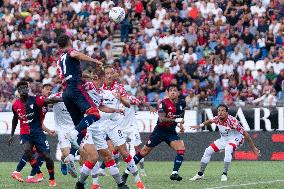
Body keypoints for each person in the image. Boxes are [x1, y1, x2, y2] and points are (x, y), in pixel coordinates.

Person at [75, 68, 129, 189]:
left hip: (97, 127)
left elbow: (101, 107)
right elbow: (78, 82)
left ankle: (121, 184)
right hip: (87, 126)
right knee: (93, 157)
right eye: (104, 77)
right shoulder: (88, 86)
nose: (106, 79)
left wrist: (116, 110)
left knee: (107, 155)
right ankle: (79, 184)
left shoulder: (100, 92)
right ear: (98, 78)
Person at [122, 84, 186, 182]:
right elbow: (161, 119)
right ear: (167, 93)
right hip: (159, 132)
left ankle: (174, 173)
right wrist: (177, 120)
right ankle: (126, 172)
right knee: (144, 152)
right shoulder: (163, 103)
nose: (173, 92)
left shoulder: (182, 103)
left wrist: (181, 125)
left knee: (181, 149)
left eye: (175, 90)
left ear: (178, 93)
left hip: (171, 132)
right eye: (171, 90)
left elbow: (181, 114)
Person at [8, 81, 60, 187]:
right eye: (21, 88)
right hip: (25, 132)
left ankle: (51, 178)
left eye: (25, 87)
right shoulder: (15, 105)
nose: (23, 90)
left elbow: (48, 101)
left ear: (28, 89)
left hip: (37, 132)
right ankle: (36, 173)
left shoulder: (36, 99)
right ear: (18, 91)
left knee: (47, 156)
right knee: (27, 150)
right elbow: (14, 119)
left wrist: (66, 98)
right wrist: (12, 134)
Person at [190, 104, 260, 181]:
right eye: (219, 110)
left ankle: (224, 174)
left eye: (223, 110)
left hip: (236, 138)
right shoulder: (217, 119)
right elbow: (210, 121)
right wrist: (200, 125)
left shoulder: (233, 122)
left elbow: (246, 134)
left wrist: (253, 148)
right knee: (208, 151)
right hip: (224, 139)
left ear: (227, 112)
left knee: (228, 148)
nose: (220, 112)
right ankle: (200, 174)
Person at [56, 34, 103, 149]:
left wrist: (87, 76)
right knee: (95, 114)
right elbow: (74, 54)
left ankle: (70, 157)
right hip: (75, 87)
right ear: (69, 41)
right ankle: (73, 133)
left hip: (66, 92)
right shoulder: (70, 52)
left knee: (81, 128)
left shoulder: (60, 59)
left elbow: (68, 74)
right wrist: (93, 60)